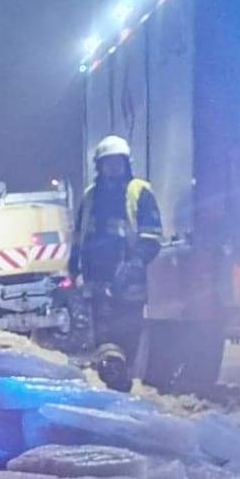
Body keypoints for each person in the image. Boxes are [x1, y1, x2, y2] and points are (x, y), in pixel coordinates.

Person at [72, 135, 163, 389]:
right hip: (97, 284)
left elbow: (152, 237)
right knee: (105, 343)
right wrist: (73, 264)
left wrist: (133, 266)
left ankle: (122, 388)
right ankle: (113, 385)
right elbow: (79, 235)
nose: (112, 168)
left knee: (126, 339)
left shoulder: (139, 192)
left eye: (117, 163)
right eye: (107, 163)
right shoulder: (90, 197)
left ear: (126, 163)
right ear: (99, 167)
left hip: (129, 285)